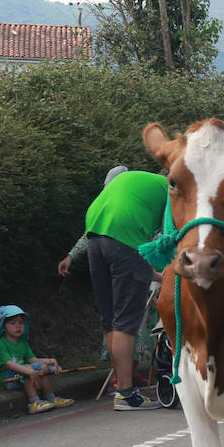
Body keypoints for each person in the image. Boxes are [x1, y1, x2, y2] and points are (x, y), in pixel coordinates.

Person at [81, 167, 169, 410]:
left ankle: (121, 386)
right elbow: (166, 239)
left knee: (110, 320)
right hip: (125, 237)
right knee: (126, 322)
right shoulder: (171, 190)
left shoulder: (137, 180)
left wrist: (156, 276)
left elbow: (131, 260)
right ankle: (127, 394)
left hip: (95, 235)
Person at [0, 305, 73, 413]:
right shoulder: (0, 344)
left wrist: (49, 361)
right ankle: (34, 402)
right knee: (27, 369)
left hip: (18, 374)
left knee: (44, 367)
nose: (18, 326)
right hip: (3, 377)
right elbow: (9, 364)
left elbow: (33, 360)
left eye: (21, 322)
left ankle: (50, 397)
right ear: (3, 327)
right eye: (12, 323)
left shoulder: (22, 342)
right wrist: (28, 370)